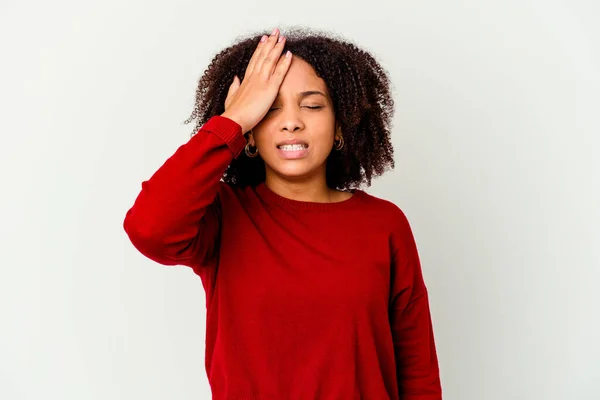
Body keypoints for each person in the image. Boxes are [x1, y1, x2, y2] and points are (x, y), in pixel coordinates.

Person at [123, 27, 442, 400]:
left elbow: (417, 368)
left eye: (312, 105)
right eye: (270, 108)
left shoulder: (384, 224)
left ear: (340, 126)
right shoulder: (224, 216)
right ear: (251, 135)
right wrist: (235, 119)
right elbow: (149, 228)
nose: (292, 121)